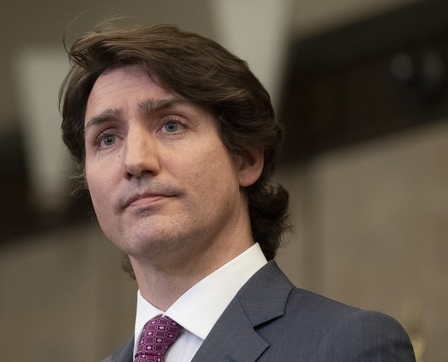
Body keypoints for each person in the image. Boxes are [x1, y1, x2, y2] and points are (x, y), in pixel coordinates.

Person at [60, 20, 415, 362]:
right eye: (107, 138)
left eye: (171, 125)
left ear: (245, 158)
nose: (135, 160)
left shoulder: (347, 345)